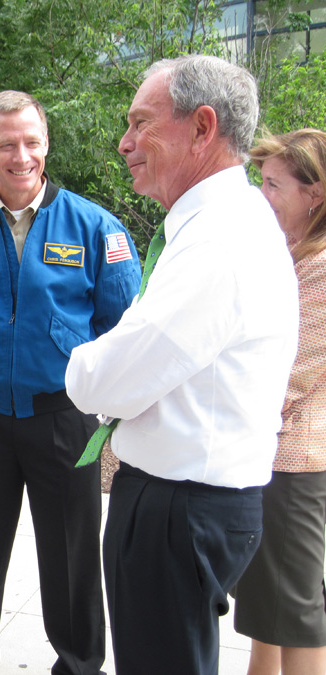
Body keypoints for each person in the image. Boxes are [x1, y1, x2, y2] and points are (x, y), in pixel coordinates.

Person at [65, 55, 300, 675]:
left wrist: (82, 365)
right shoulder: (216, 226)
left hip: (181, 510)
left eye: (141, 123)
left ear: (202, 128)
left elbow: (109, 379)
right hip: (184, 503)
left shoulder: (219, 239)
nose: (125, 142)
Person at [0, 90, 140, 675]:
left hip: (63, 417)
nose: (19, 155)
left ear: (46, 144)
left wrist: (70, 363)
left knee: (73, 556)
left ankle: (78, 664)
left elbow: (119, 321)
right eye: (6, 144)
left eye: (30, 142)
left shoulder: (95, 226)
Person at [232, 129, 326, 675]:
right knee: (267, 605)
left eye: (274, 184)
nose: (262, 195)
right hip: (273, 455)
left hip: (293, 459)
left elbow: (288, 371)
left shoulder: (317, 265)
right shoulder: (291, 251)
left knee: (294, 608)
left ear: (313, 194)